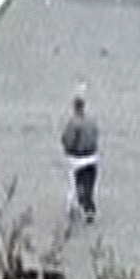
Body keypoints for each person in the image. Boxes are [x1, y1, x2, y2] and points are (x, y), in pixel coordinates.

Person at [60, 96, 100, 224]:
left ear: (74, 107)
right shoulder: (92, 121)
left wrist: (67, 149)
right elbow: (96, 135)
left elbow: (68, 139)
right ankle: (89, 208)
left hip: (78, 157)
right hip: (92, 156)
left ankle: (74, 208)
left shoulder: (73, 123)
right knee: (90, 184)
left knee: (75, 184)